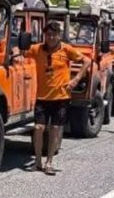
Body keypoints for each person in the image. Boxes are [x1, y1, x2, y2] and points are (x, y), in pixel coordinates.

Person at [24, 20, 91, 175]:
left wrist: (76, 79)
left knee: (55, 129)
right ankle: (38, 161)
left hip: (61, 97)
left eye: (54, 35)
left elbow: (87, 61)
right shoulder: (37, 49)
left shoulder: (66, 50)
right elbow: (21, 51)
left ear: (59, 35)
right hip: (42, 97)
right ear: (44, 36)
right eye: (48, 35)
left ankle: (49, 162)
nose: (51, 38)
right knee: (38, 128)